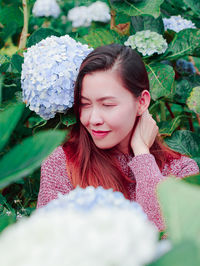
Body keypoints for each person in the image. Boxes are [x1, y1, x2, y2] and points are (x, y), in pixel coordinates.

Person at [37, 44, 199, 231]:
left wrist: (142, 155)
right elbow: (49, 245)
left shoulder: (181, 169)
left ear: (141, 102)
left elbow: (167, 238)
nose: (93, 119)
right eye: (85, 104)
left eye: (107, 104)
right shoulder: (61, 163)